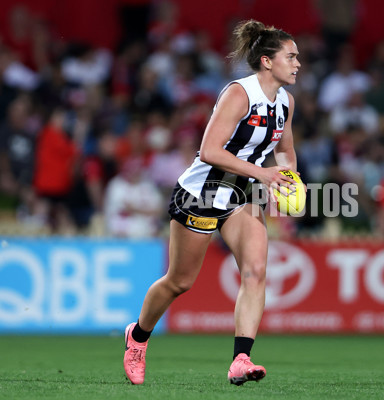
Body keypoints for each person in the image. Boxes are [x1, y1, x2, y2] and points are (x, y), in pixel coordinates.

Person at [123, 19, 301, 385]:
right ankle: (138, 337)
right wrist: (262, 173)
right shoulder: (239, 93)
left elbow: (285, 151)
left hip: (243, 195)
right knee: (179, 281)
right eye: (291, 56)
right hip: (202, 193)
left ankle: (241, 359)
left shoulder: (286, 102)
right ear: (267, 61)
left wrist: (287, 179)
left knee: (256, 272)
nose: (298, 64)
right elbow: (208, 151)